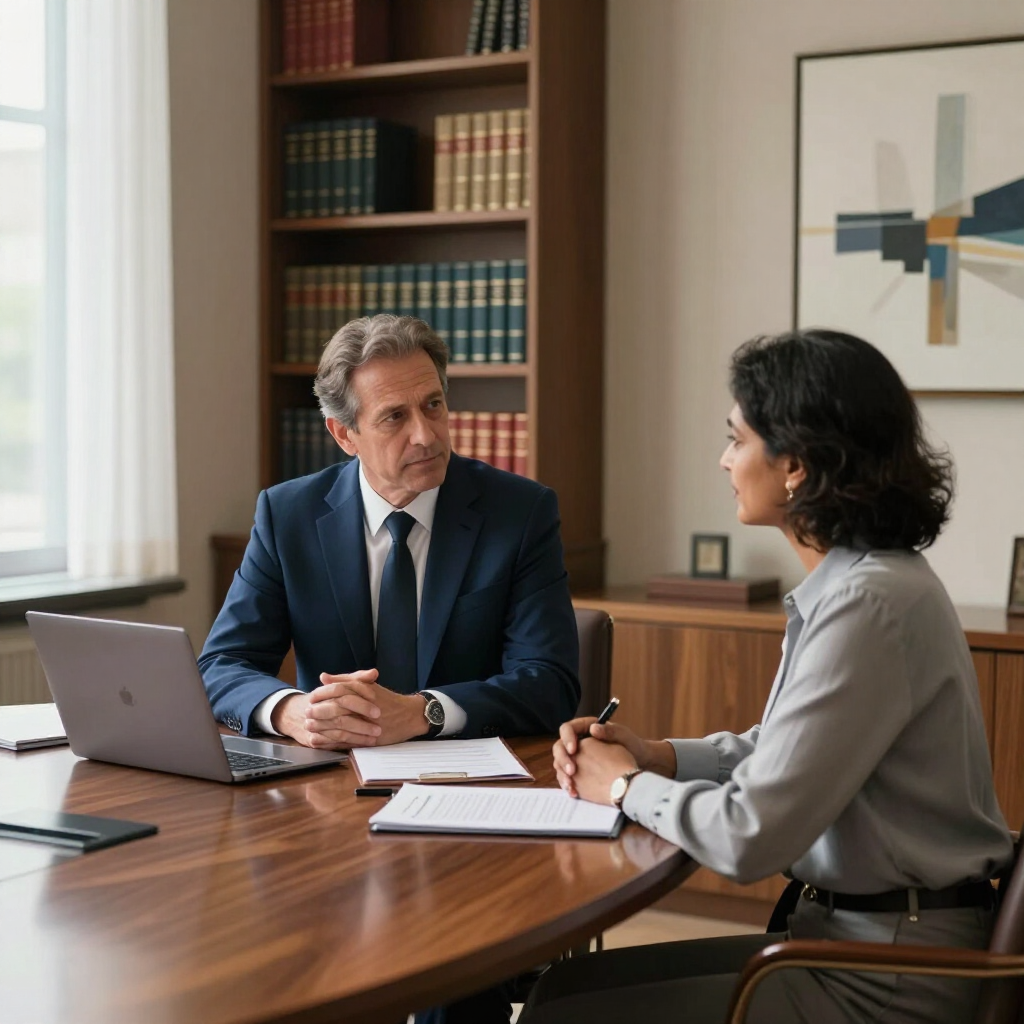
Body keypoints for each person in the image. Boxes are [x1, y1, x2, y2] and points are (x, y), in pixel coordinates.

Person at [521, 329, 1014, 1024]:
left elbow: (749, 837)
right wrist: (657, 753)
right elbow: (779, 751)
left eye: (737, 439)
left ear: (798, 467)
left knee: (563, 1016)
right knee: (558, 992)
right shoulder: (859, 582)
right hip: (845, 939)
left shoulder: (869, 604)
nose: (724, 461)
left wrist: (625, 786)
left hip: (889, 975)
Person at [200, 314, 580, 1024]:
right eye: (395, 417)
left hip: (474, 822)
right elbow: (222, 662)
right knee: (279, 964)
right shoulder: (288, 515)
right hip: (327, 820)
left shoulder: (518, 512)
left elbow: (551, 679)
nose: (426, 435)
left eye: (434, 405)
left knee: (447, 983)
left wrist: (426, 710)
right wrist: (291, 712)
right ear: (344, 435)